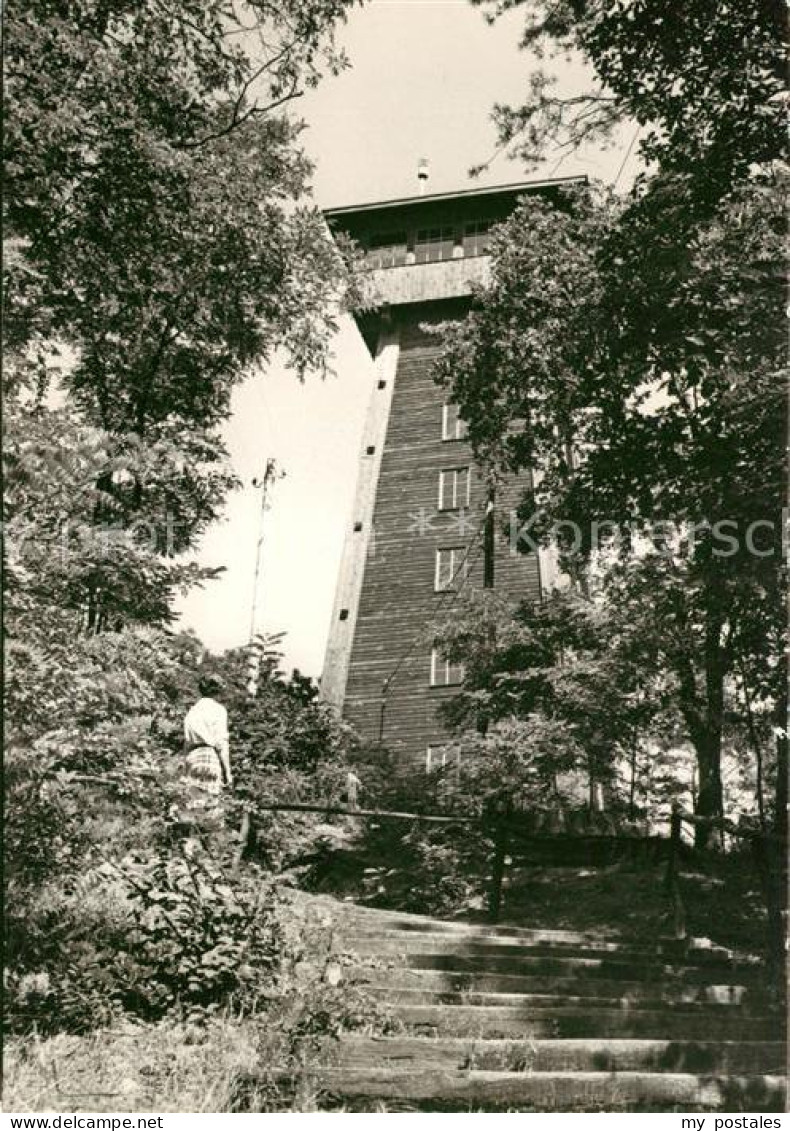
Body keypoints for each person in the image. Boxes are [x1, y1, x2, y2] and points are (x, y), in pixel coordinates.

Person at [183, 674, 232, 798]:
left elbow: (187, 742)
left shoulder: (192, 710)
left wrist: (184, 767)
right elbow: (221, 742)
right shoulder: (219, 710)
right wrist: (228, 772)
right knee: (210, 803)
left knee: (192, 801)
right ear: (218, 691)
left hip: (192, 758)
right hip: (209, 757)